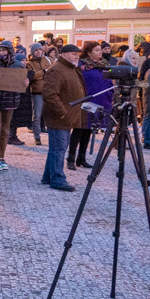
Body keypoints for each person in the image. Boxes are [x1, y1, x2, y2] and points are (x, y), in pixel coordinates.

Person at [41, 44, 86, 191]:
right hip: (58, 117)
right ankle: (58, 179)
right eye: (73, 54)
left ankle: (48, 176)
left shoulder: (70, 68)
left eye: (78, 54)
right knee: (59, 149)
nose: (77, 56)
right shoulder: (57, 69)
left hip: (67, 116)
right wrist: (62, 112)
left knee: (57, 148)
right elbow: (49, 94)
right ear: (64, 54)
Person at [68, 42, 112, 170]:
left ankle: (81, 158)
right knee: (79, 128)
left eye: (101, 50)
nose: (101, 52)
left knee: (89, 129)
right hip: (85, 101)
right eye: (97, 50)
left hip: (99, 101)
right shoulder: (82, 66)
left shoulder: (104, 65)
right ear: (88, 52)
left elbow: (109, 82)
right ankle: (71, 158)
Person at [0, 41, 27, 171]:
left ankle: (1, 157)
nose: (1, 53)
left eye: (4, 50)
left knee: (5, 130)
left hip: (10, 102)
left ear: (9, 51)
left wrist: (26, 83)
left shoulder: (19, 66)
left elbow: (22, 83)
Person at [26, 43, 50, 146]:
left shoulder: (48, 60)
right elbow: (32, 76)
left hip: (49, 91)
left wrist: (40, 74)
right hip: (37, 92)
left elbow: (52, 72)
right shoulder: (29, 64)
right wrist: (44, 72)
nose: (39, 51)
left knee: (50, 115)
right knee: (37, 116)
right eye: (36, 50)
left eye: (40, 49)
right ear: (33, 52)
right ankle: (37, 137)